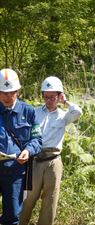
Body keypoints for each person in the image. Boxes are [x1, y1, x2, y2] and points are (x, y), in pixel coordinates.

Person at [19, 76, 82, 225]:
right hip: (34, 160)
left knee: (50, 201)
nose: (49, 100)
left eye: (53, 97)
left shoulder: (63, 116)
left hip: (54, 161)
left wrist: (65, 102)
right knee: (27, 198)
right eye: (46, 97)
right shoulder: (34, 112)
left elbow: (78, 111)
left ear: (59, 96)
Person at [0, 68, 42, 225]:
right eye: (3, 93)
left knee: (12, 216)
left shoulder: (29, 111)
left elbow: (37, 139)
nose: (7, 97)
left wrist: (28, 150)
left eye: (11, 92)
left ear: (18, 90)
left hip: (15, 171)